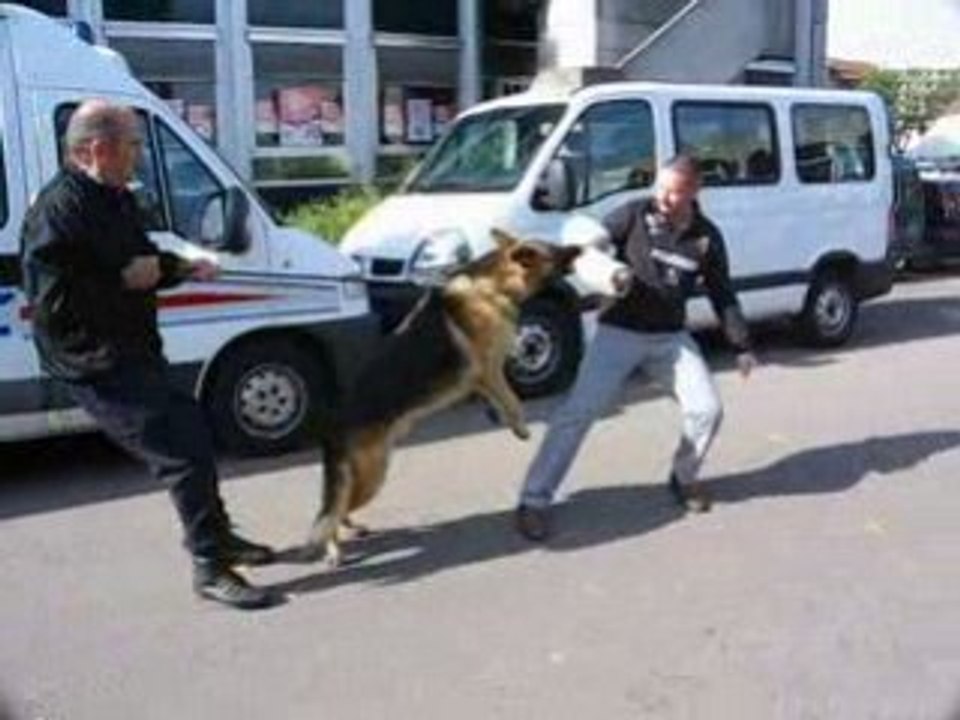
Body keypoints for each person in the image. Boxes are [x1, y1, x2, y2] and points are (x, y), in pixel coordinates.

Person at [20, 100, 281, 610]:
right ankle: (210, 565)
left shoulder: (113, 197)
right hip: (94, 361)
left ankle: (220, 538)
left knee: (195, 433)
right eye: (133, 145)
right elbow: (52, 306)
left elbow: (139, 260)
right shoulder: (58, 210)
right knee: (181, 452)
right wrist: (123, 280)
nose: (139, 155)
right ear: (97, 148)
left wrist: (184, 267)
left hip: (133, 348)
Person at [515, 155, 758, 541]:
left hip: (670, 339)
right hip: (618, 333)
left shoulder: (705, 237)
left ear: (694, 191)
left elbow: (721, 292)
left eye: (673, 191)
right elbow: (590, 248)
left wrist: (741, 344)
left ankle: (683, 477)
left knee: (708, 410)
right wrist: (563, 260)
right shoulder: (632, 214)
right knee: (576, 414)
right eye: (659, 187)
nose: (662, 197)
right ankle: (533, 500)